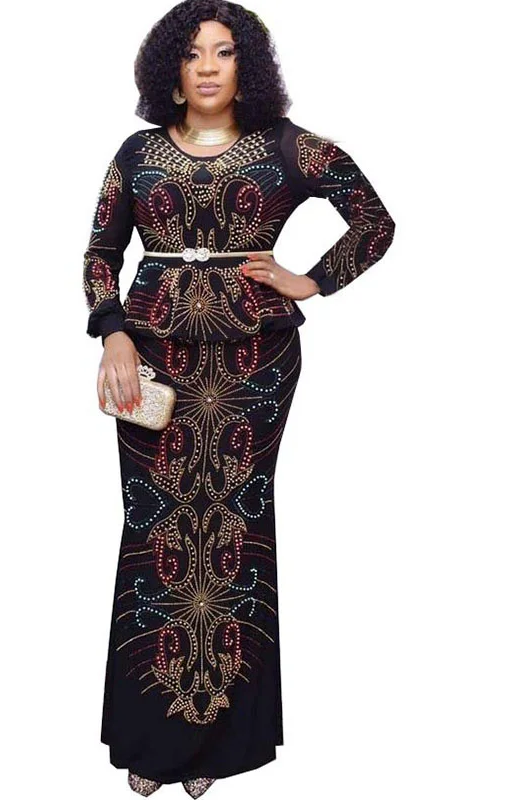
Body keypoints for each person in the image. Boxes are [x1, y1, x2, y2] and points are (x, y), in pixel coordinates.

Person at [82, 1, 396, 795]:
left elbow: (374, 221)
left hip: (257, 359)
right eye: (193, 54)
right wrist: (112, 332)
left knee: (232, 524)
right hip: (150, 358)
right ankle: (153, 740)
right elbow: (99, 253)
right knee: (156, 526)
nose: (209, 67)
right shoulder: (138, 152)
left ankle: (218, 748)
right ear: (171, 70)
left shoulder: (289, 146)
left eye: (224, 52)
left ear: (246, 66)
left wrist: (311, 281)